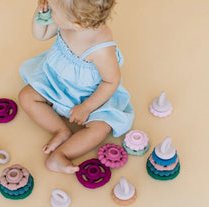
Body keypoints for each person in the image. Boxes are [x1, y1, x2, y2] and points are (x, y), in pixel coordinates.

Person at [18, 0, 134, 174]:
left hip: (89, 96)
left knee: (101, 128)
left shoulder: (101, 49)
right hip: (56, 83)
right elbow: (40, 35)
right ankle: (61, 130)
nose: (51, 10)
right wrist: (41, 13)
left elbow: (111, 81)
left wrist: (87, 107)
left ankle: (62, 154)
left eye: (53, 11)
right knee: (26, 96)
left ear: (76, 25)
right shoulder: (66, 21)